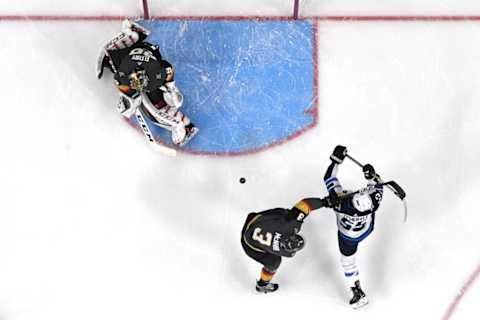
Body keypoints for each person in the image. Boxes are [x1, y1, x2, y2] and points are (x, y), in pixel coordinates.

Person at [96, 19, 198, 146]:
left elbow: (168, 68)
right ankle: (132, 35)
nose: (139, 86)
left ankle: (134, 35)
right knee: (119, 64)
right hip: (132, 58)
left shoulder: (156, 74)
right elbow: (121, 82)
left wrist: (171, 87)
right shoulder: (123, 73)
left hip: (148, 57)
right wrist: (127, 99)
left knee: (155, 106)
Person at [324, 145, 384, 308]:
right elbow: (378, 185)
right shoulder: (374, 203)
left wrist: (335, 161)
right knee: (348, 259)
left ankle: (356, 291)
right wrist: (371, 175)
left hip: (347, 237)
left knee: (348, 262)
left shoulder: (340, 203)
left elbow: (329, 177)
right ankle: (357, 291)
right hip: (366, 230)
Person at [241, 197, 329, 293]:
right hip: (249, 242)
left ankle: (263, 284)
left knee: (285, 214)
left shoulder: (289, 225)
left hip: (252, 223)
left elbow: (305, 204)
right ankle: (262, 284)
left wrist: (325, 201)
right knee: (273, 262)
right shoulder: (288, 253)